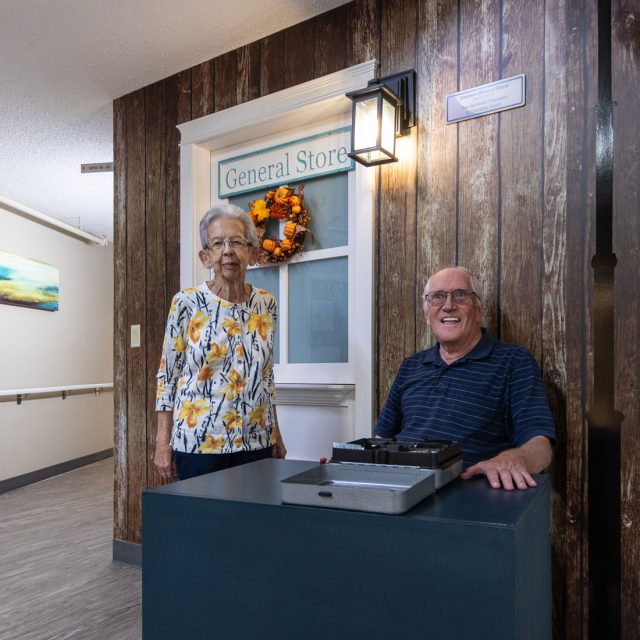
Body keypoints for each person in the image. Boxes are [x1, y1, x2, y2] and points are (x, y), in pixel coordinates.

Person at [375, 266, 555, 491]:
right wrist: (350, 464)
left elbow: (541, 443)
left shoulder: (514, 361)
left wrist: (515, 459)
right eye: (438, 296)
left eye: (460, 295)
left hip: (466, 493)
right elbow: (381, 437)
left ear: (479, 310)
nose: (448, 305)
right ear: (426, 315)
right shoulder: (411, 366)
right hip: (398, 487)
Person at [154, 203, 286, 482]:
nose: (228, 250)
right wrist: (162, 443)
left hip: (256, 440)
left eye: (237, 241)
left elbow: (266, 376)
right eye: (218, 243)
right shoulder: (186, 303)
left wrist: (276, 434)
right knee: (203, 524)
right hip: (199, 444)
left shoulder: (266, 303)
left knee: (252, 523)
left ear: (251, 251)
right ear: (206, 257)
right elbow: (167, 377)